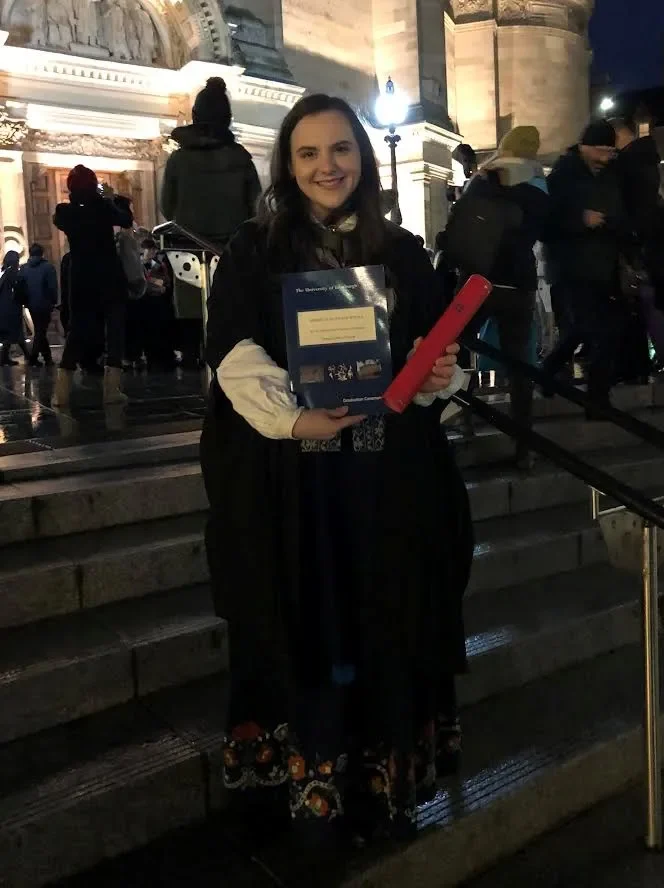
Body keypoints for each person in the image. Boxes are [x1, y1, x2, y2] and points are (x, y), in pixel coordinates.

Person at [201, 93, 473, 844]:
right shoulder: (254, 250)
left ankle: (381, 785)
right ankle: (311, 786)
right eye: (309, 153)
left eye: (341, 149)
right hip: (298, 482)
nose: (328, 166)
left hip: (386, 483)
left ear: (363, 156)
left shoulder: (404, 251)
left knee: (383, 615)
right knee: (310, 616)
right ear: (287, 165)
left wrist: (439, 371)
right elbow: (234, 351)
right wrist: (294, 419)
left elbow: (435, 359)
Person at [460, 125, 549, 469]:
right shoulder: (538, 186)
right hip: (517, 284)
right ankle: (523, 447)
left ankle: (462, 420)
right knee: (519, 367)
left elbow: (463, 224)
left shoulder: (484, 178)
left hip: (477, 281)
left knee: (457, 350)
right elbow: (538, 229)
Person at [161, 77, 262, 369]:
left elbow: (167, 205)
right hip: (232, 249)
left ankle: (195, 368)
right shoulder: (239, 157)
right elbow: (255, 204)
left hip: (189, 248)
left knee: (194, 314)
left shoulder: (179, 160)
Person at [541, 120, 627, 408]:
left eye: (610, 152)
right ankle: (597, 399)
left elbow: (620, 213)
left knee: (591, 329)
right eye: (601, 151)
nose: (605, 158)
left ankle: (548, 370)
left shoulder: (611, 176)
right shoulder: (562, 176)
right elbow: (546, 223)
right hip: (571, 268)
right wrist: (580, 220)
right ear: (584, 147)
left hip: (603, 265)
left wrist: (613, 225)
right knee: (596, 329)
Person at [52, 165, 133, 407]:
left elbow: (63, 221)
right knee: (115, 328)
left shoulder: (64, 211)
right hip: (108, 273)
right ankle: (111, 389)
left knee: (77, 330)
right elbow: (125, 219)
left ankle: (61, 392)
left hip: (81, 275)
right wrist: (109, 198)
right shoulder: (104, 206)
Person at [612, 118, 664, 372]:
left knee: (642, 304)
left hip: (640, 250)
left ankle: (651, 358)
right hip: (656, 250)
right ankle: (662, 354)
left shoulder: (630, 165)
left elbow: (635, 213)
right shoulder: (649, 162)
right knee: (649, 305)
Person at [17, 244, 59, 367]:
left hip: (31, 304)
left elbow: (21, 286)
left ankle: (47, 358)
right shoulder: (48, 267)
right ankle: (33, 358)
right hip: (45, 304)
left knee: (40, 330)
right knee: (41, 331)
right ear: (42, 253)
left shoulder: (24, 268)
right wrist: (54, 301)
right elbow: (52, 287)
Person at [140, 237, 177, 370]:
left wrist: (162, 286)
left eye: (153, 250)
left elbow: (166, 282)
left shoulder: (159, 265)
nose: (151, 253)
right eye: (149, 250)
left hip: (158, 301)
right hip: (146, 302)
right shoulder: (140, 265)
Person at [0, 251, 30, 366]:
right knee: (15, 332)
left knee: (13, 333)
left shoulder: (5, 272)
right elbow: (18, 288)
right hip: (11, 308)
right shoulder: (12, 272)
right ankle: (28, 356)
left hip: (5, 307)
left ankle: (5, 358)